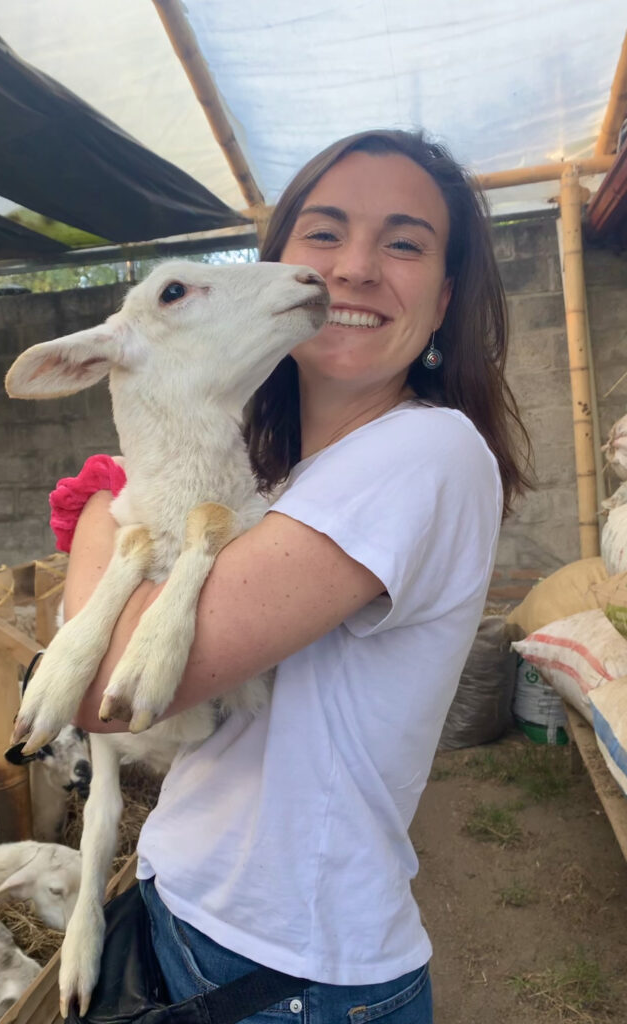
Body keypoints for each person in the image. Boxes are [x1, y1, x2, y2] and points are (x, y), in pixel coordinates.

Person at [52, 129, 532, 1023]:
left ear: (444, 296)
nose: (351, 267)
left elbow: (102, 696)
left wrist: (99, 507)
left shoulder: (421, 452)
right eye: (323, 232)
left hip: (284, 976)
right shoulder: (280, 477)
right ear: (277, 267)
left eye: (402, 242)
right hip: (191, 910)